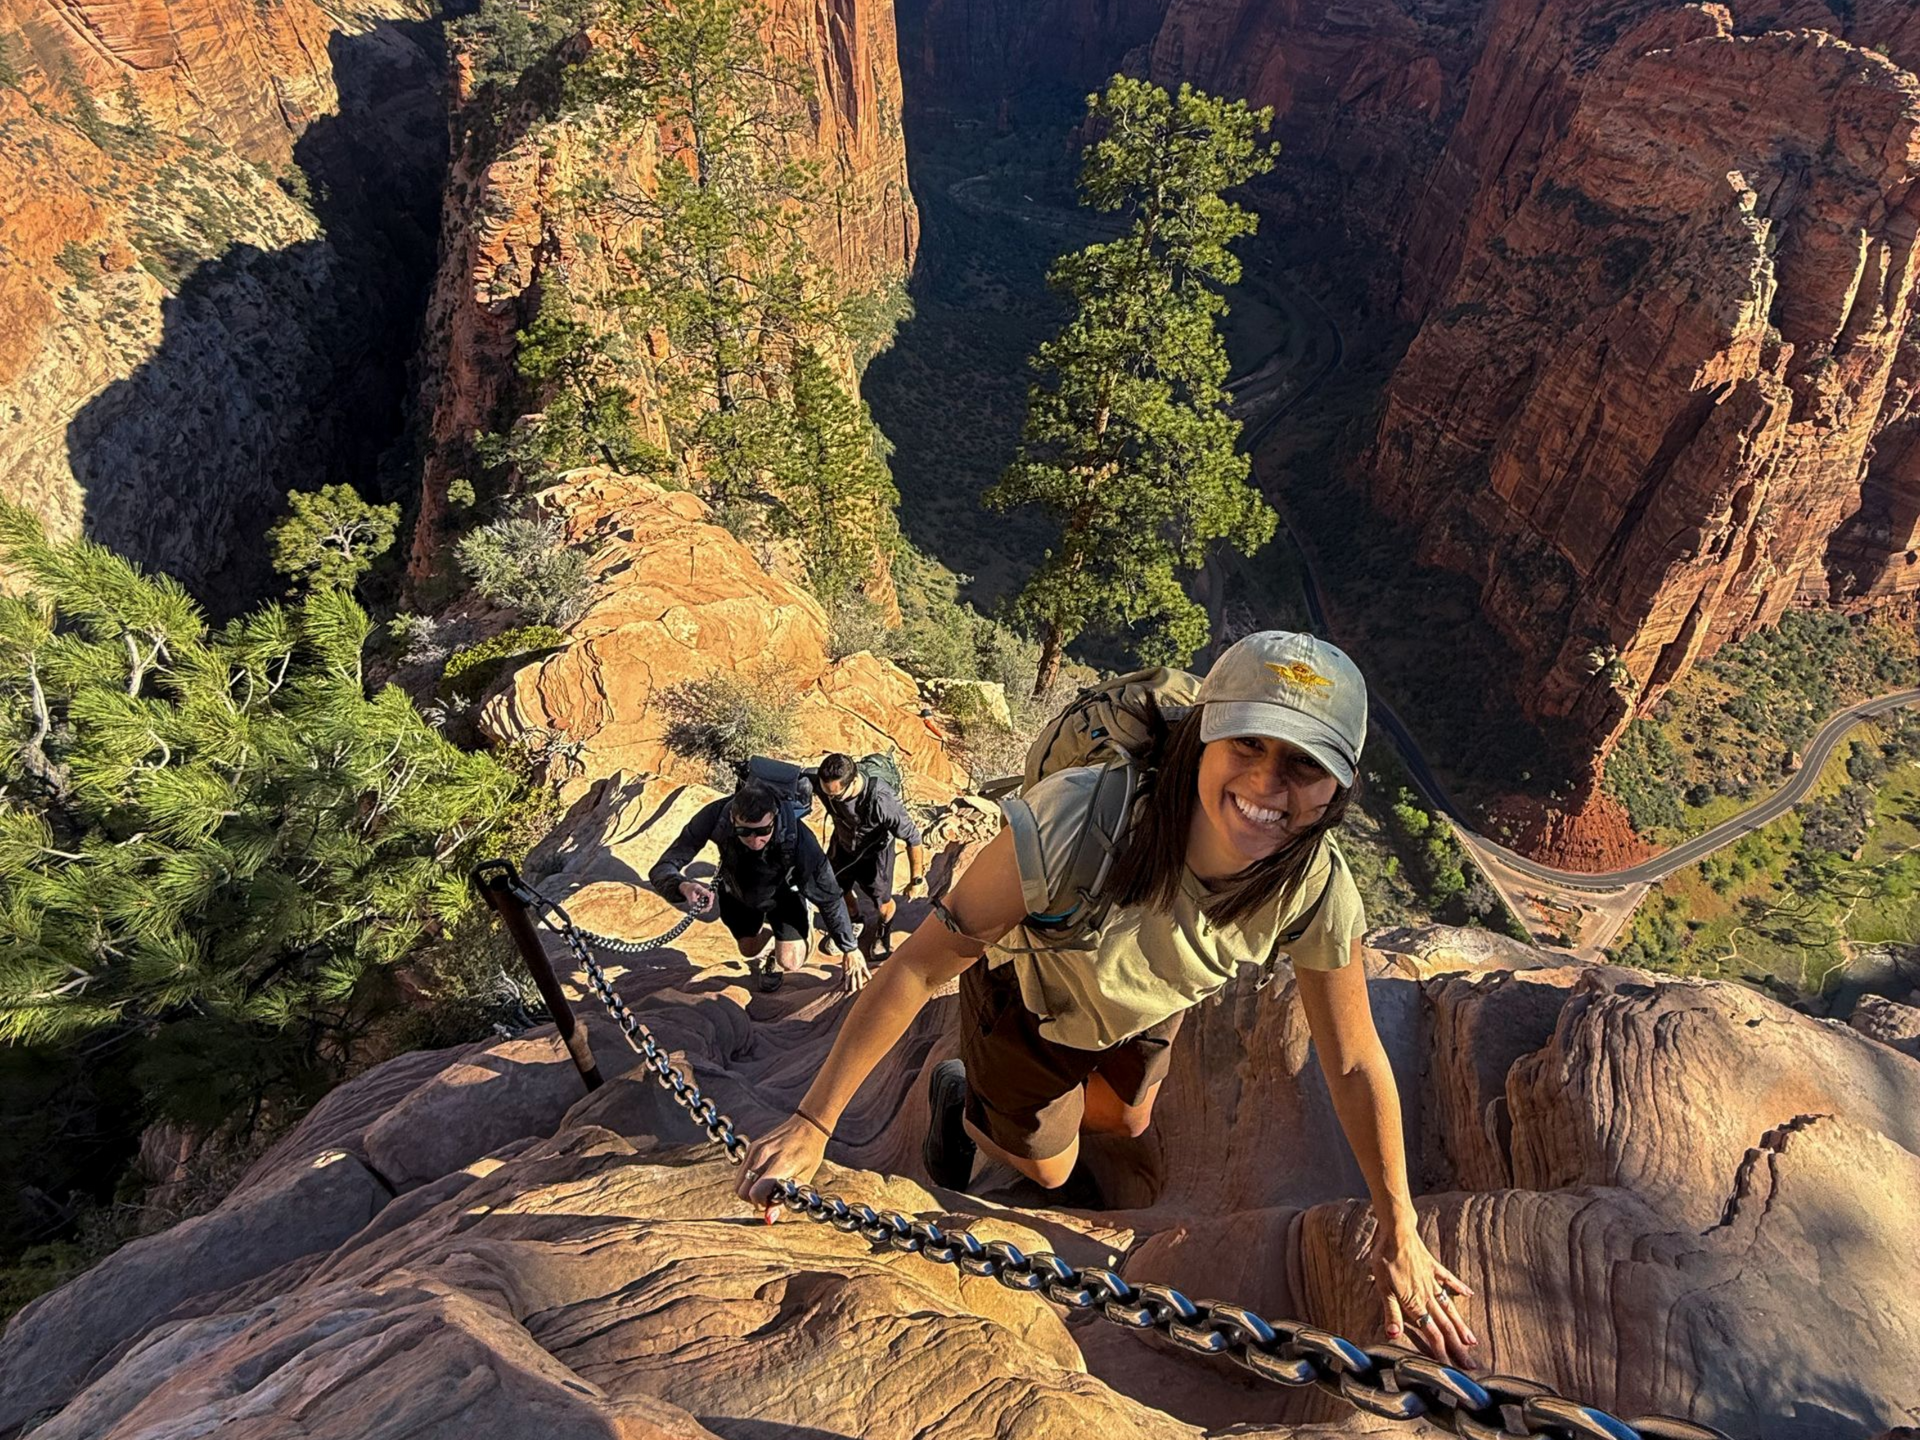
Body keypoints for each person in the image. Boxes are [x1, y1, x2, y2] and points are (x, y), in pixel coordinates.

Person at [735, 632, 1477, 1365]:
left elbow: (1351, 1061)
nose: (1266, 785)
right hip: (1033, 1002)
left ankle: (1035, 1114)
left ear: (1338, 788)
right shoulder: (1081, 821)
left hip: (1144, 1002)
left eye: (1304, 764)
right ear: (1203, 737)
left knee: (1127, 1120)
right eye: (1248, 743)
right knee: (1052, 1173)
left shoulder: (1313, 887)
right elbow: (923, 967)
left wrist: (1399, 1226)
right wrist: (812, 1121)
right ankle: (964, 1109)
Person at [649, 775, 860, 989]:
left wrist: (849, 948)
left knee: (791, 961)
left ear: (774, 818)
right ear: (733, 819)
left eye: (762, 831)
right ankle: (770, 940)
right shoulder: (716, 817)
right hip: (738, 891)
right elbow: (662, 868)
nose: (754, 840)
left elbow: (830, 896)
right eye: (744, 831)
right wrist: (683, 886)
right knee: (748, 950)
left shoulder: (800, 840)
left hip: (783, 896)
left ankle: (798, 922)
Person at [813, 753, 931, 985]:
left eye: (836, 795)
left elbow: (913, 837)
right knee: (836, 886)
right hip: (843, 845)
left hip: (875, 854)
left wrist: (916, 879)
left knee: (882, 899)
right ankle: (856, 920)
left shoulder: (881, 799)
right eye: (827, 794)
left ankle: (883, 929)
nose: (831, 799)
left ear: (854, 781)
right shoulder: (825, 784)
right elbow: (789, 775)